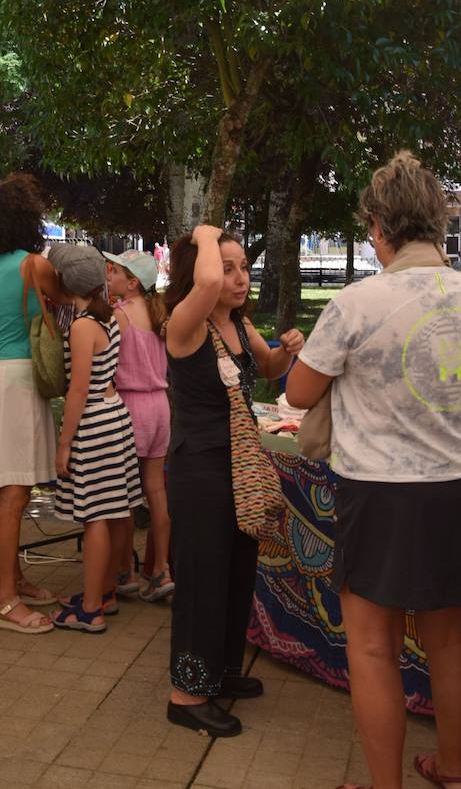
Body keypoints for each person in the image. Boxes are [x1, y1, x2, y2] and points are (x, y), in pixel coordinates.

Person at [285, 152, 461, 789]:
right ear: (440, 226)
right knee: (450, 639)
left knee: (373, 645)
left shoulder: (356, 304)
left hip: (381, 491)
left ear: (379, 227)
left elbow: (300, 394)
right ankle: (455, 770)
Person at [163, 225, 303, 738]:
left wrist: (288, 349)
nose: (241, 278)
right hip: (199, 470)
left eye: (244, 266)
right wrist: (204, 230)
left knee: (235, 575)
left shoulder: (238, 326)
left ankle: (220, 671)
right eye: (228, 268)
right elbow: (201, 286)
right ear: (199, 271)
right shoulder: (185, 323)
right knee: (201, 582)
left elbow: (267, 368)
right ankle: (187, 694)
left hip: (236, 470)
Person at [0, 174, 63, 634]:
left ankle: (14, 579)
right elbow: (66, 303)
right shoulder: (34, 266)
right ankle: (3, 601)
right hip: (22, 381)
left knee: (10, 492)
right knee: (14, 495)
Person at [47, 244, 143, 633]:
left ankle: (90, 609)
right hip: (115, 415)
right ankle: (104, 592)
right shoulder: (108, 319)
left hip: (93, 423)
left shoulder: (83, 326)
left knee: (95, 517)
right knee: (117, 510)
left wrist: (65, 442)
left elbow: (77, 390)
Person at [104, 249, 174, 602]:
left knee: (126, 497)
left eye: (114, 271)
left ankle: (125, 570)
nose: (108, 275)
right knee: (156, 492)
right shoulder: (158, 313)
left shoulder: (119, 316)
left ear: (131, 282)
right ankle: (161, 569)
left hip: (130, 406)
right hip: (160, 407)